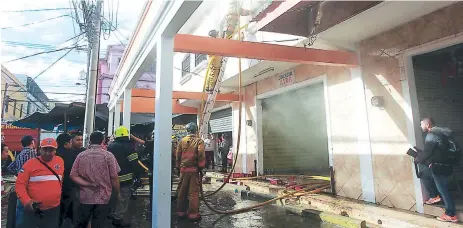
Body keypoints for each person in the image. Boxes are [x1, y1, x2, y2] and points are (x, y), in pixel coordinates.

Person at [70, 131, 121, 228]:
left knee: (82, 223)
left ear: (90, 141)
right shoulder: (108, 156)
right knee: (99, 223)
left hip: (85, 197)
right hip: (104, 197)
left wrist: (87, 184)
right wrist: (117, 193)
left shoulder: (81, 155)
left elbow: (73, 175)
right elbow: (114, 177)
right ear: (102, 141)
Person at [415, 118, 457, 223]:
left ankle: (450, 214)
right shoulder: (442, 133)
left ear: (428, 125)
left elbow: (428, 151)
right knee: (425, 174)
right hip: (446, 164)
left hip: (439, 166)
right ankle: (434, 196)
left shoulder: (432, 134)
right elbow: (437, 150)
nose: (420, 126)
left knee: (443, 188)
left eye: (421, 124)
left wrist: (418, 159)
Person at [15, 138, 64, 228]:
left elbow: (60, 180)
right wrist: (27, 201)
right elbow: (19, 184)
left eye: (51, 150)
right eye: (45, 149)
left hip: (53, 209)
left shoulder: (60, 161)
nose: (48, 153)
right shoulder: (30, 164)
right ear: (40, 149)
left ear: (55, 151)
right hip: (34, 209)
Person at [107, 126, 145, 227]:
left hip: (111, 178)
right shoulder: (129, 146)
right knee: (123, 199)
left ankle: (111, 214)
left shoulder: (111, 146)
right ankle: (118, 219)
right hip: (125, 179)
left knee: (114, 197)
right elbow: (134, 163)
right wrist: (141, 173)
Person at [176, 122, 205, 221]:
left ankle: (181, 212)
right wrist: (201, 167)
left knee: (182, 191)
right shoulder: (199, 141)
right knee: (193, 193)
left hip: (183, 171)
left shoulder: (181, 141)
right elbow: (201, 155)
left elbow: (178, 156)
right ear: (196, 130)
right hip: (194, 171)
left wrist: (178, 168)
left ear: (187, 131)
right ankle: (193, 215)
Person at [7, 135, 37, 227]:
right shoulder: (32, 153)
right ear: (32, 142)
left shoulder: (20, 154)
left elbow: (10, 167)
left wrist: (19, 173)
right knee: (31, 208)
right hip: (31, 185)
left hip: (20, 184)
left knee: (20, 209)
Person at [56, 133, 78, 227]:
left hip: (55, 186)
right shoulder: (71, 154)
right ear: (66, 143)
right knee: (67, 209)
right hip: (68, 186)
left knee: (57, 210)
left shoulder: (54, 153)